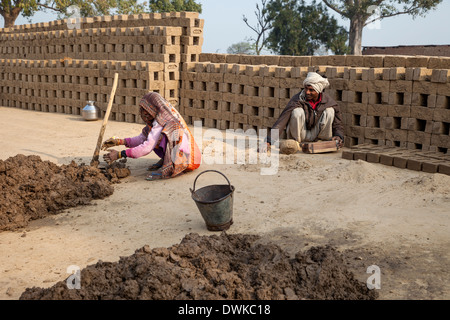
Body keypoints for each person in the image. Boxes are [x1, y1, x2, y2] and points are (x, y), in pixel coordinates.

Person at [102, 92, 202, 180]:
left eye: (145, 110)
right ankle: (167, 159)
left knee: (159, 138)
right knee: (151, 136)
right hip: (186, 155)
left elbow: (147, 147)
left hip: (189, 160)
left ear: (154, 108)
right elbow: (141, 138)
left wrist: (119, 154)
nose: (142, 113)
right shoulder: (158, 118)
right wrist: (120, 141)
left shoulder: (161, 122)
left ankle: (172, 165)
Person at [263, 71, 344, 152]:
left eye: (311, 90)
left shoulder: (328, 102)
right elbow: (281, 121)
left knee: (329, 111)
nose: (307, 92)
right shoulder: (297, 99)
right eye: (306, 88)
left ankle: (322, 142)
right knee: (297, 112)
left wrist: (338, 136)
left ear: (318, 90)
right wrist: (268, 141)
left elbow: (338, 124)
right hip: (301, 134)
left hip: (317, 134)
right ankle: (296, 143)